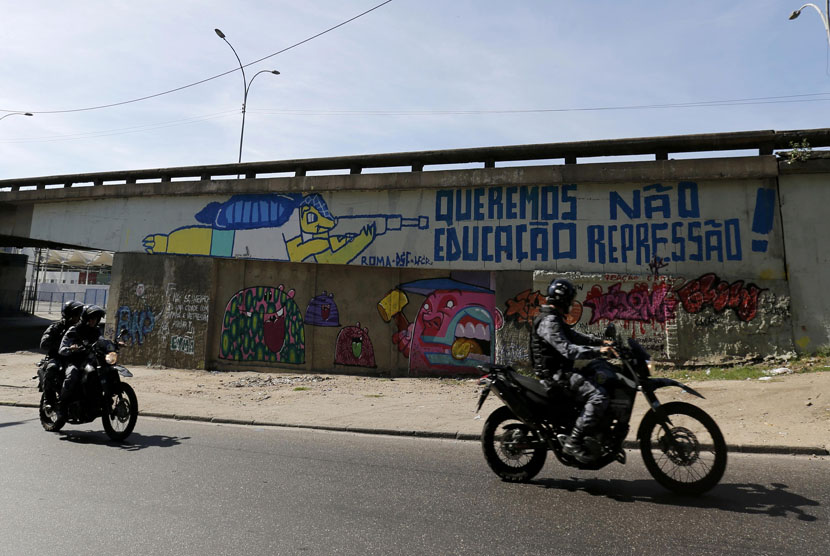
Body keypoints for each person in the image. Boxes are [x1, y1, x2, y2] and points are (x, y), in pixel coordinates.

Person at [530, 278, 615, 463]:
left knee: (599, 370)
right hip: (555, 376)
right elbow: (567, 350)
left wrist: (600, 342)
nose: (571, 303)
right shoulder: (550, 320)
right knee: (599, 396)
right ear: (563, 300)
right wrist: (598, 351)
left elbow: (574, 336)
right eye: (569, 299)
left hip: (562, 371)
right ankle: (574, 441)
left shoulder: (554, 318)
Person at [56, 304, 105, 420]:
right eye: (91, 318)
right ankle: (61, 406)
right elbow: (62, 349)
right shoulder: (75, 330)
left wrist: (113, 345)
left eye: (96, 319)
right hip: (74, 362)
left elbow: (102, 342)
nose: (94, 321)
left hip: (91, 362)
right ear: (85, 318)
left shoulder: (97, 331)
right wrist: (71, 349)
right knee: (72, 375)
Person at [38, 300, 84, 390]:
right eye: (76, 314)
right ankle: (48, 400)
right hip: (57, 357)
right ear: (68, 315)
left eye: (79, 315)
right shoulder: (56, 327)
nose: (78, 318)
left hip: (76, 357)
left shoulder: (81, 328)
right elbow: (44, 343)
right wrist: (64, 345)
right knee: (52, 369)